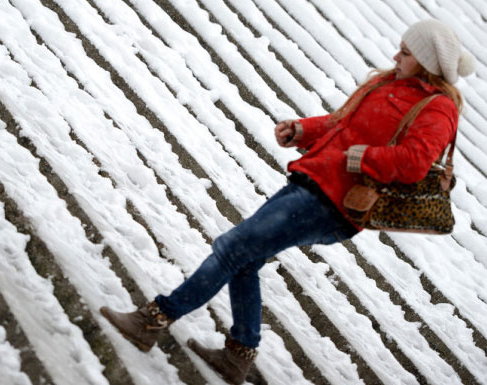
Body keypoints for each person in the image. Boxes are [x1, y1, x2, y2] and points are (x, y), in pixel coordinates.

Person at [100, 19, 475, 384]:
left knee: (232, 249)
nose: (397, 55)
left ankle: (150, 321)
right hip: (312, 181)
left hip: (337, 204)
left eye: (406, 53)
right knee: (245, 260)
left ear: (427, 62)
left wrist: (365, 157)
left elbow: (414, 163)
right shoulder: (386, 81)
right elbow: (341, 122)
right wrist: (302, 130)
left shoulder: (438, 108)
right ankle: (238, 356)